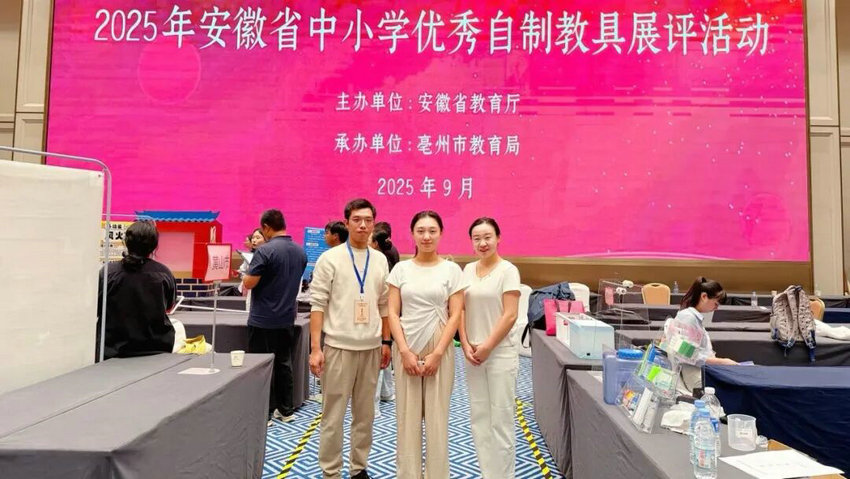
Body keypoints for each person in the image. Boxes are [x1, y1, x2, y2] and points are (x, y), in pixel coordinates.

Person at [310, 198, 391, 479]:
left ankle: (359, 468)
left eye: (368, 220)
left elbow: (384, 305)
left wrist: (386, 342)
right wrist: (315, 348)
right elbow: (318, 304)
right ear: (346, 223)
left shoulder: (379, 260)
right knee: (333, 416)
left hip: (371, 348)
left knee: (365, 415)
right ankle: (331, 471)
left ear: (373, 223)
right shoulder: (330, 258)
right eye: (357, 219)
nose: (363, 225)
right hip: (338, 348)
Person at [387, 210, 466, 479]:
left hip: (439, 345)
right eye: (421, 231)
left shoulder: (451, 270)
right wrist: (404, 351)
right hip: (406, 344)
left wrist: (439, 353)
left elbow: (455, 313)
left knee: (437, 419)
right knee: (407, 419)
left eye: (432, 231)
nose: (426, 236)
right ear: (412, 234)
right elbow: (392, 312)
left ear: (441, 234)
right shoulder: (400, 269)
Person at [459, 217, 522, 479]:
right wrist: (464, 344)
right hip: (473, 355)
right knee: (480, 419)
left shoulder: (508, 270)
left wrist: (487, 346)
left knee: (502, 420)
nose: (482, 243)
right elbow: (460, 310)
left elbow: (510, 315)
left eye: (487, 237)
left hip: (500, 354)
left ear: (498, 238)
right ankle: (488, 474)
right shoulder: (467, 270)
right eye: (477, 238)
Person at [242, 209, 307, 424]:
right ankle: (286, 410)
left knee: (260, 366)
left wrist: (245, 277)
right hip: (286, 318)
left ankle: (265, 413)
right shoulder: (300, 252)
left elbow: (250, 282)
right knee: (283, 363)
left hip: (262, 319)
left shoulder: (264, 251)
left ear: (267, 227)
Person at [97, 220, 176, 360]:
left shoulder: (108, 272)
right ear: (154, 246)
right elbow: (169, 306)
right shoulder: (164, 273)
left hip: (112, 351)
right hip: (156, 350)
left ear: (126, 242)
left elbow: (97, 308)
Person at [667, 277, 738, 394]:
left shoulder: (692, 317)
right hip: (692, 374)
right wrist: (721, 362)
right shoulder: (688, 318)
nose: (716, 308)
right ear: (704, 296)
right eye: (715, 303)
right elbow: (686, 355)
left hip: (696, 370)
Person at [370, 222, 398, 417]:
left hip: (381, 312)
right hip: (386, 312)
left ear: (375, 243)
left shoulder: (380, 261)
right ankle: (387, 392)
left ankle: (373, 406)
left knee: (379, 357)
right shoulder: (390, 254)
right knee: (384, 354)